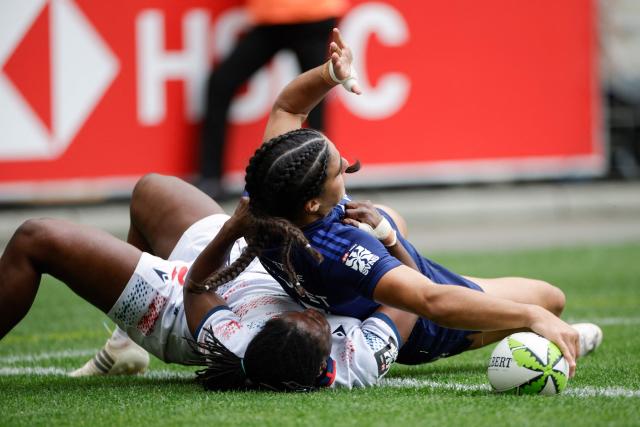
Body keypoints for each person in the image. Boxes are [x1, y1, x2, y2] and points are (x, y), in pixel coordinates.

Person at [196, 28, 603, 377]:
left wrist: (329, 75)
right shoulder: (343, 247)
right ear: (311, 206)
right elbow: (431, 301)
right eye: (339, 172)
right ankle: (546, 335)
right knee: (551, 299)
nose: (347, 171)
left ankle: (398, 236)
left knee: (390, 216)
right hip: (426, 325)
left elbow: (288, 106)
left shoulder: (267, 194)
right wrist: (532, 317)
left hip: (359, 284)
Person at [0, 173, 418, 390]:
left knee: (37, 237)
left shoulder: (229, 339)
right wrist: (387, 236)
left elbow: (196, 285)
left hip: (182, 300)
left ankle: (131, 339)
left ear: (259, 332)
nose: (313, 311)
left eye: (305, 317)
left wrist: (234, 228)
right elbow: (411, 296)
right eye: (316, 319)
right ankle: (124, 352)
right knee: (151, 188)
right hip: (253, 269)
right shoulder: (357, 361)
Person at [198, 0, 348, 197]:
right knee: (221, 83)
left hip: (313, 14)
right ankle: (211, 178)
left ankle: (326, 185)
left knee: (316, 101)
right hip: (272, 18)